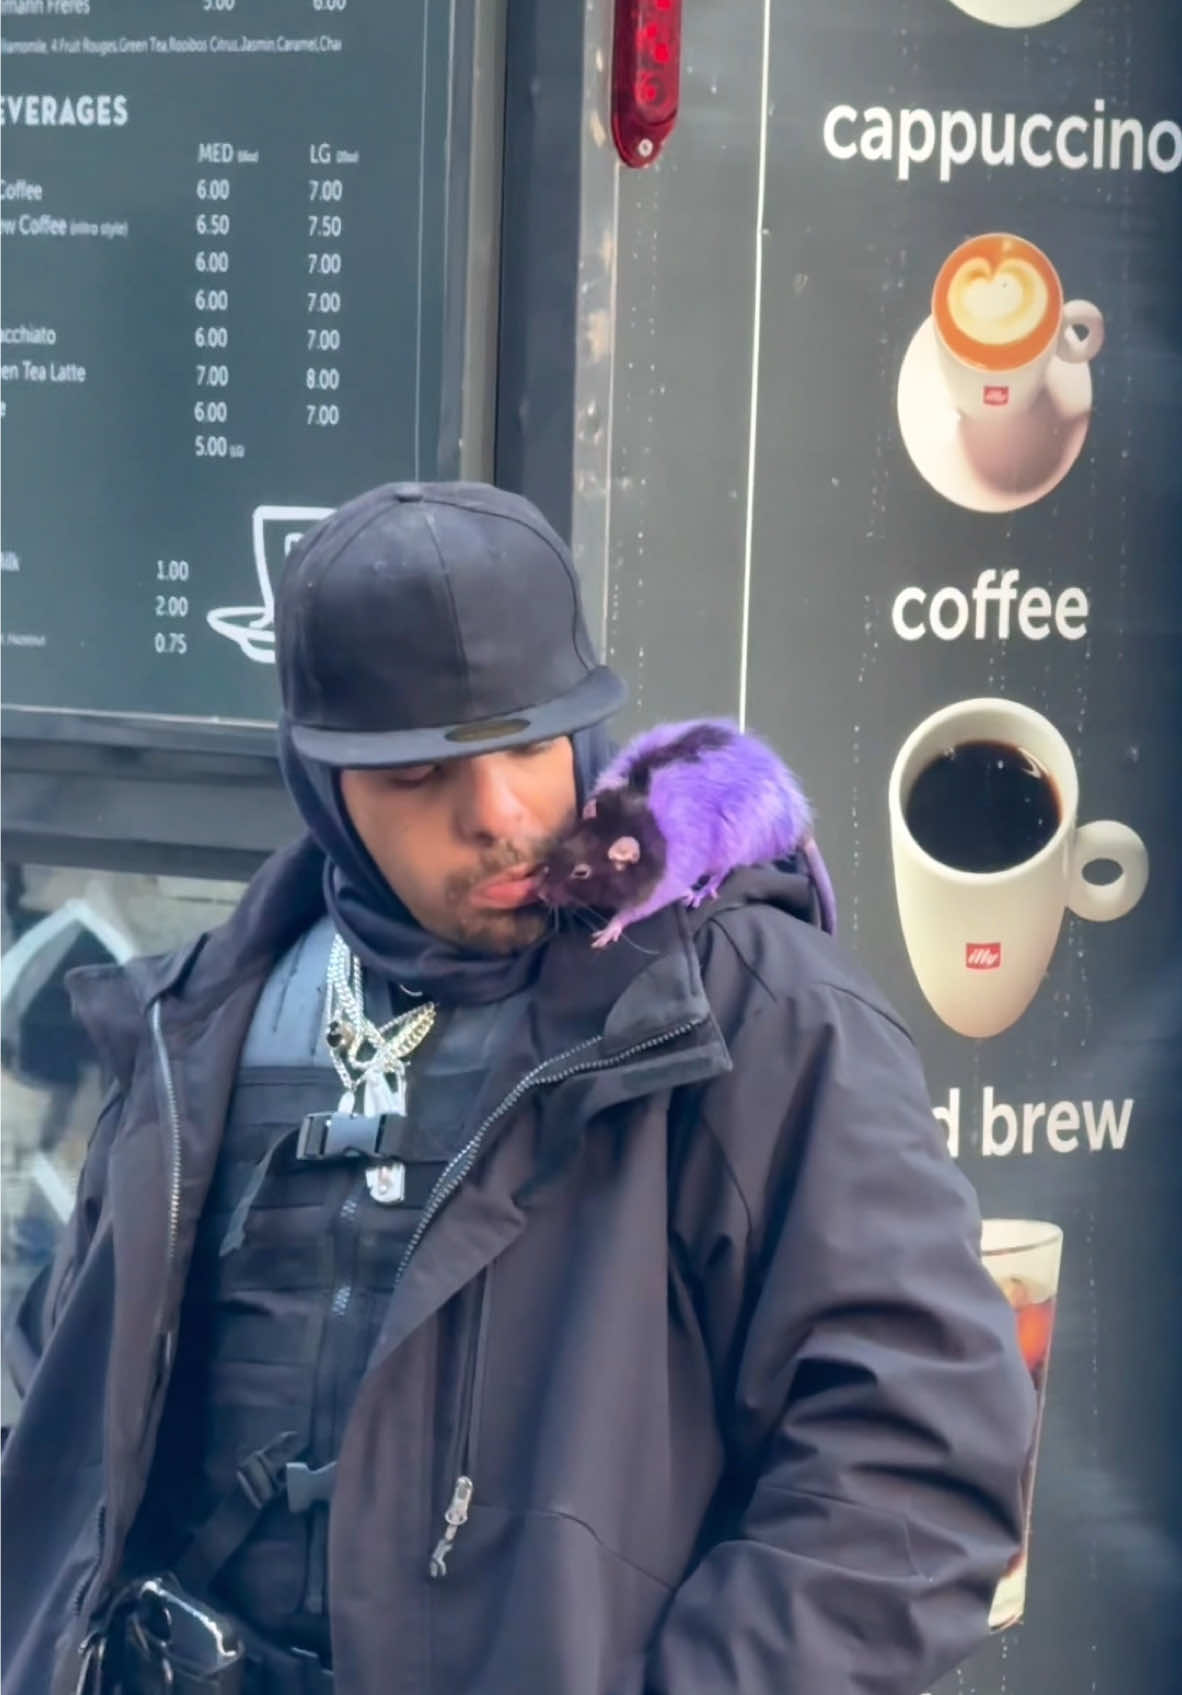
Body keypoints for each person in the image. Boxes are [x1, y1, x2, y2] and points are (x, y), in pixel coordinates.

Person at [2, 482, 1034, 1695]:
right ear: (322, 784)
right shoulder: (207, 1020)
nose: (498, 819)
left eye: (530, 747)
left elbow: (915, 1469)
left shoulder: (749, 1013)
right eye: (416, 777)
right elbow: (70, 1415)